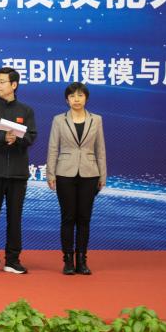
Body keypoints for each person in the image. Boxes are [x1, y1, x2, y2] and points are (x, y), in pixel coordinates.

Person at [0, 66, 37, 275]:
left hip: (18, 173)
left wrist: (17, 138)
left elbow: (31, 136)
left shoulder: (26, 111)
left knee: (15, 218)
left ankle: (12, 260)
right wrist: (4, 137)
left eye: (2, 82)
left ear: (14, 84)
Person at [46, 82, 107, 275]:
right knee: (68, 217)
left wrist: (102, 175)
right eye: (72, 96)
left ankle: (82, 260)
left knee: (84, 218)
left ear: (86, 98)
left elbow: (100, 149)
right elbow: (53, 148)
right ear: (67, 100)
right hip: (65, 172)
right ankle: (68, 260)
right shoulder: (59, 120)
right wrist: (50, 173)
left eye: (80, 95)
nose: (76, 99)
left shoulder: (96, 119)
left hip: (90, 173)